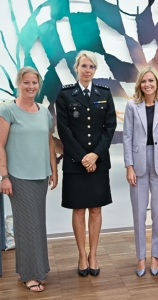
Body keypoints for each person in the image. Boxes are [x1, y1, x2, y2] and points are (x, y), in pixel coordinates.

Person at [0, 66, 58, 292]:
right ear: (18, 84)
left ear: (39, 85)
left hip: (40, 176)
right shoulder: (7, 111)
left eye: (34, 83)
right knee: (27, 225)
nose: (31, 87)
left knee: (37, 224)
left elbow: (48, 141)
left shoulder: (43, 112)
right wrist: (4, 177)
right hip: (18, 177)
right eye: (26, 82)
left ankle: (38, 270)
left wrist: (54, 168)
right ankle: (30, 275)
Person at [56, 50, 116, 277]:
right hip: (75, 162)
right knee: (79, 210)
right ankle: (82, 255)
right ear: (76, 68)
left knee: (96, 209)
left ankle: (94, 255)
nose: (87, 70)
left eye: (91, 66)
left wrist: (95, 155)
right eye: (84, 66)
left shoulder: (104, 93)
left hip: (98, 163)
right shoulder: (65, 95)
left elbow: (109, 129)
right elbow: (64, 130)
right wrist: (83, 157)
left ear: (95, 69)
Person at [123, 66, 158, 277]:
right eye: (144, 81)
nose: (147, 84)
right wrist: (129, 166)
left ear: (157, 83)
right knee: (138, 214)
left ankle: (155, 256)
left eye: (151, 81)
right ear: (139, 84)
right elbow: (127, 137)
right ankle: (140, 258)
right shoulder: (131, 106)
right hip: (138, 163)